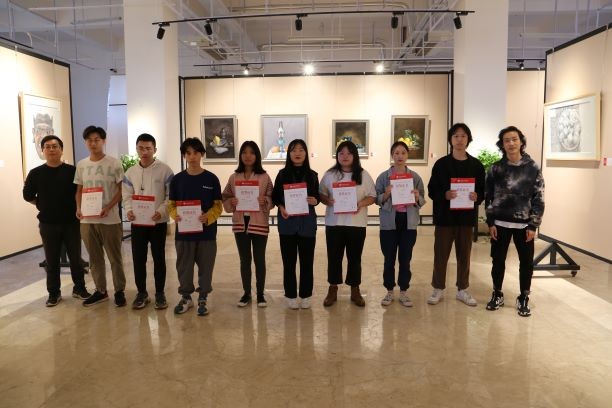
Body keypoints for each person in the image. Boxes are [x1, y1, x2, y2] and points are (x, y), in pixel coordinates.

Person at [22, 135, 91, 306]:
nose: (51, 149)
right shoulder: (36, 173)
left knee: (76, 259)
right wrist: (42, 204)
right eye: (47, 147)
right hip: (48, 223)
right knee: (51, 260)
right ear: (42, 151)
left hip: (71, 222)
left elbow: (80, 193)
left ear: (61, 150)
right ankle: (54, 293)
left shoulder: (72, 170)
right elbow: (27, 195)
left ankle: (79, 288)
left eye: (55, 146)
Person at [485, 126, 545, 317]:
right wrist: (491, 222)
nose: (511, 143)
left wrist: (533, 225)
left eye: (514, 139)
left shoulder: (532, 168)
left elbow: (539, 197)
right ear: (502, 145)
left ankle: (524, 296)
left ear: (521, 141)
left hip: (524, 225)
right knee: (497, 261)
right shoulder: (495, 168)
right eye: (506, 140)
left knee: (526, 263)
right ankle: (497, 293)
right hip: (500, 224)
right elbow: (488, 197)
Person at [427, 123, 485, 306]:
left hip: (466, 219)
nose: (460, 140)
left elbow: (483, 191)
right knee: (441, 255)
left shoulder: (476, 165)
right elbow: (431, 190)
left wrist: (477, 197)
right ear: (450, 139)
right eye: (456, 136)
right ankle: (438, 288)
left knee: (464, 256)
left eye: (463, 136)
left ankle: (462, 289)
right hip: (445, 218)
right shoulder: (441, 164)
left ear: (468, 139)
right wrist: (444, 194)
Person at [168, 138, 222, 316]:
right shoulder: (177, 180)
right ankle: (186, 298)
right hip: (184, 234)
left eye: (196, 152)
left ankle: (203, 298)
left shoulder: (211, 179)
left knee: (206, 267)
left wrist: (209, 216)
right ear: (184, 155)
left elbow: (218, 206)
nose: (192, 156)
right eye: (188, 153)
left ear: (202, 154)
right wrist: (175, 215)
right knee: (184, 267)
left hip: (207, 234)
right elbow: (171, 204)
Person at [319, 140, 376, 307]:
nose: (345, 156)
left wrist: (360, 204)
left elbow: (373, 196)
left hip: (356, 224)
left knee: (355, 258)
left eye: (349, 153)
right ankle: (333, 288)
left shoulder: (363, 175)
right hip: (334, 224)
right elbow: (321, 194)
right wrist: (328, 200)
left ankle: (355, 289)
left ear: (355, 156)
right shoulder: (330, 174)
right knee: (334, 257)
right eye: (341, 153)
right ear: (337, 156)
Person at [74, 126, 126, 307]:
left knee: (115, 257)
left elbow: (121, 190)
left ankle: (119, 290)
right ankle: (101, 290)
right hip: (87, 220)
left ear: (104, 141)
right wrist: (78, 208)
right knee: (94, 259)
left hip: (109, 219)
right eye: (89, 140)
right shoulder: (81, 165)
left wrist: (108, 207)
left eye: (97, 140)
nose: (93, 143)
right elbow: (79, 190)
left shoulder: (114, 163)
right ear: (85, 142)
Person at [122, 133, 174, 310]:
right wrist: (129, 210)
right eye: (141, 148)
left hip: (158, 222)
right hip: (138, 223)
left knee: (159, 258)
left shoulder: (165, 170)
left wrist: (161, 211)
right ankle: (142, 293)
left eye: (148, 148)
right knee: (138, 259)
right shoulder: (130, 172)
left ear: (154, 149)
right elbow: (126, 195)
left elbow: (170, 196)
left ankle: (160, 293)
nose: (144, 152)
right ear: (136, 149)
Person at [222, 141, 274, 308]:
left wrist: (265, 200)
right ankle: (246, 293)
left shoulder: (264, 177)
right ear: (240, 155)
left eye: (252, 152)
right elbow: (225, 195)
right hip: (240, 222)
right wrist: (232, 201)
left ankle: (260, 294)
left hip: (259, 222)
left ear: (257, 155)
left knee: (259, 259)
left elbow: (272, 197)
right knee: (244, 260)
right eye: (244, 152)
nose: (248, 156)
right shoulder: (234, 177)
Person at [375, 141, 425, 308]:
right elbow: (376, 199)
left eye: (403, 152)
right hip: (389, 222)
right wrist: (386, 194)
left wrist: (417, 197)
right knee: (389, 258)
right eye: (396, 153)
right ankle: (389, 291)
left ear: (407, 155)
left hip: (408, 222)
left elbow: (422, 199)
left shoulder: (415, 177)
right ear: (392, 155)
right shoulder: (384, 177)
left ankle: (403, 291)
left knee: (405, 259)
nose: (400, 156)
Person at [271, 139, 320, 310]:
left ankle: (306, 295)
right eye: (293, 150)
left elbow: (317, 197)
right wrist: (281, 206)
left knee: (307, 262)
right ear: (289, 154)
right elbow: (275, 196)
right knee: (289, 262)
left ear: (306, 153)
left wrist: (315, 200)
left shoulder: (312, 175)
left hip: (307, 224)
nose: (297, 153)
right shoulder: (282, 175)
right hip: (288, 224)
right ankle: (290, 294)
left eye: (301, 150)